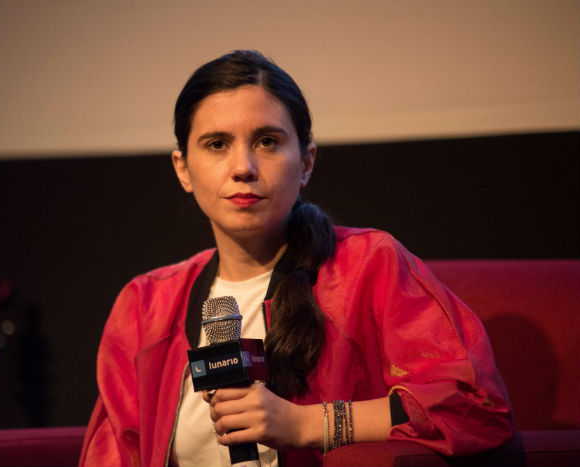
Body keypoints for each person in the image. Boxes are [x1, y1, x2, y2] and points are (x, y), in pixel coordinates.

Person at [79, 50, 514, 467]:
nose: (243, 166)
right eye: (217, 144)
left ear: (306, 162)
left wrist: (310, 423)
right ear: (183, 169)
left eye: (267, 141)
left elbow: (472, 409)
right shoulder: (145, 306)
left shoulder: (368, 265)